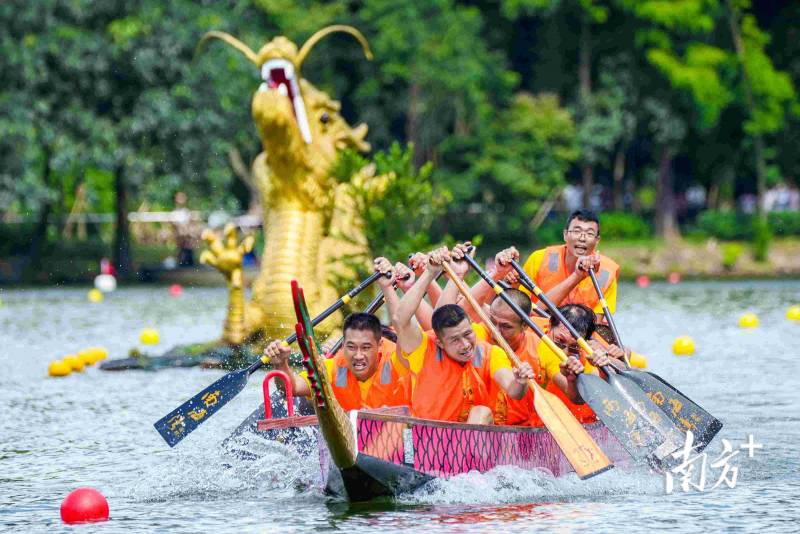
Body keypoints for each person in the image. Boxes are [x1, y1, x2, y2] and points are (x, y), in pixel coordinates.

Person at [392, 246, 536, 424]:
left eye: (468, 334)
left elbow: (513, 390)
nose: (466, 344)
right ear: (440, 343)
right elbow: (400, 319)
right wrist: (429, 273)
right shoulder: (423, 347)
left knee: (481, 412)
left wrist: (521, 381)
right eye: (455, 340)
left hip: (469, 444)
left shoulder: (490, 353)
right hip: (425, 441)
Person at [264, 312, 407, 411]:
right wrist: (280, 364)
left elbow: (403, 322)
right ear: (343, 345)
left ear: (380, 345)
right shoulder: (333, 366)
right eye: (351, 347)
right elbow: (292, 388)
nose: (358, 355)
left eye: (366, 347)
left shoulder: (397, 363)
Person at [521, 209, 620, 317]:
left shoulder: (607, 273)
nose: (582, 238)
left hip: (580, 331)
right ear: (565, 235)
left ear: (597, 241)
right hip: (538, 327)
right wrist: (576, 277)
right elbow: (523, 310)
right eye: (577, 231)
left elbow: (596, 323)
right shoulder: (538, 259)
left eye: (589, 233)